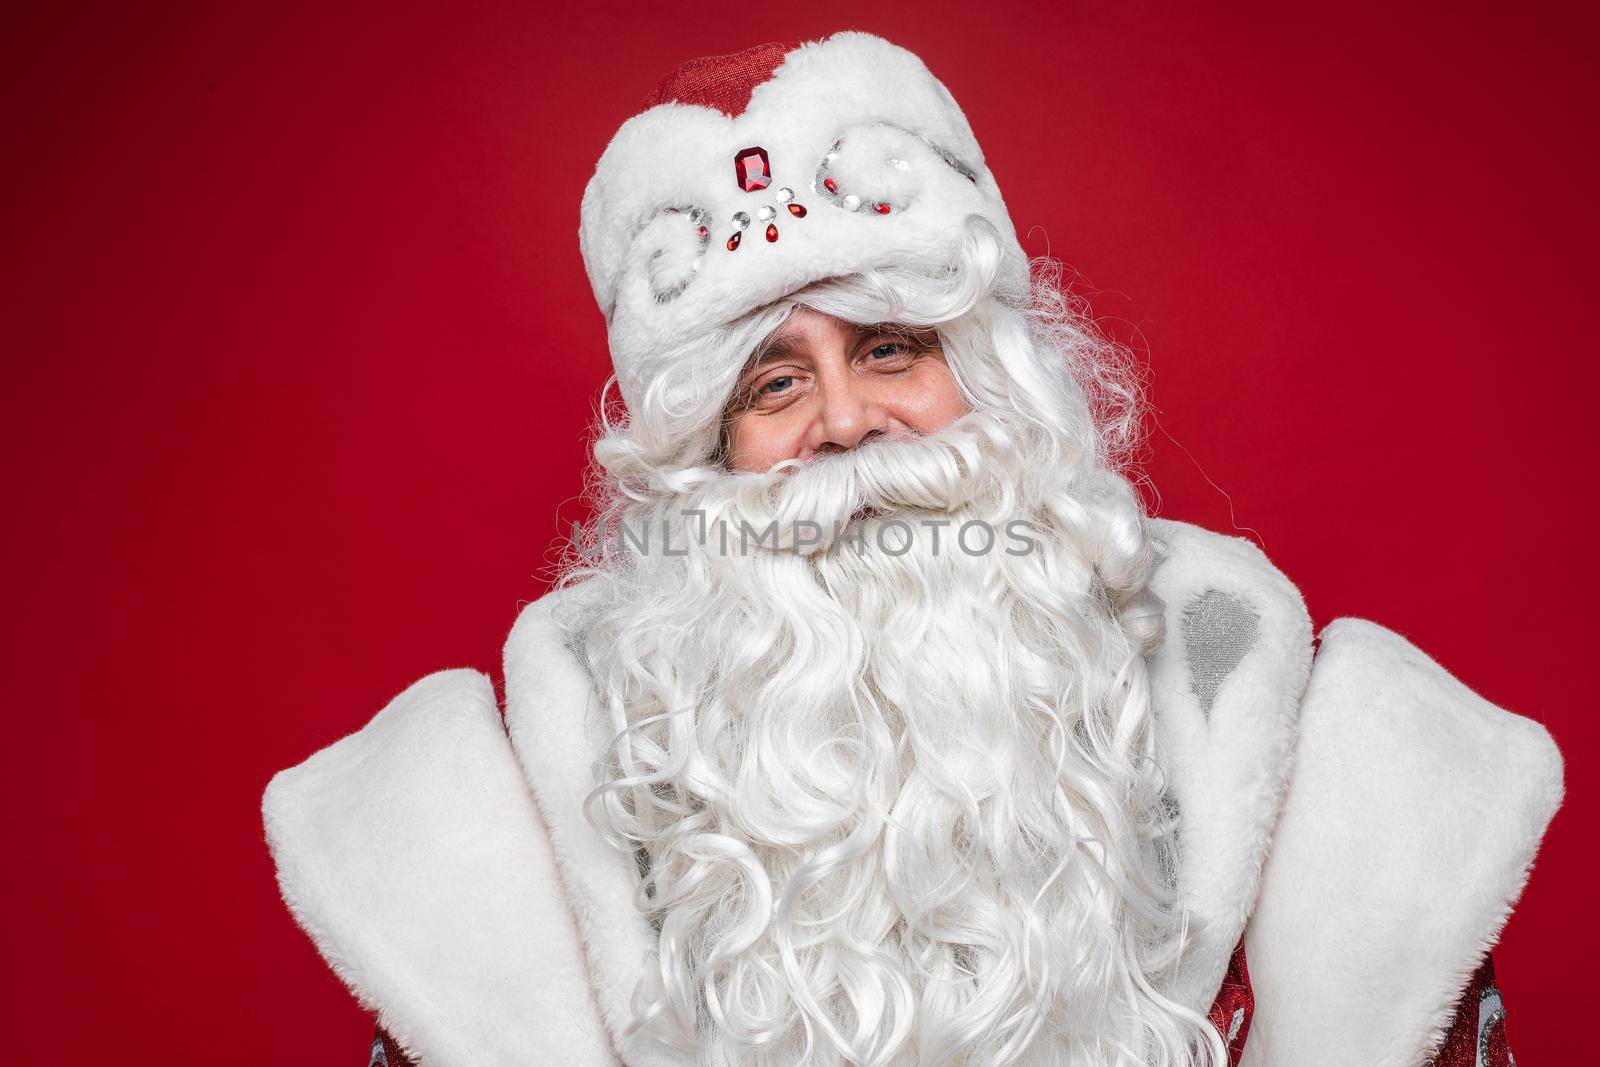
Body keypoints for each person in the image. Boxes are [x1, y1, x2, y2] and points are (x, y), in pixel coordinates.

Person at [262, 32, 1562, 1067]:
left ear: (997, 383)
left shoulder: (1279, 730)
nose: (846, 425)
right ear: (702, 463)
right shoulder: (538, 797)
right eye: (773, 388)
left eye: (890, 350)